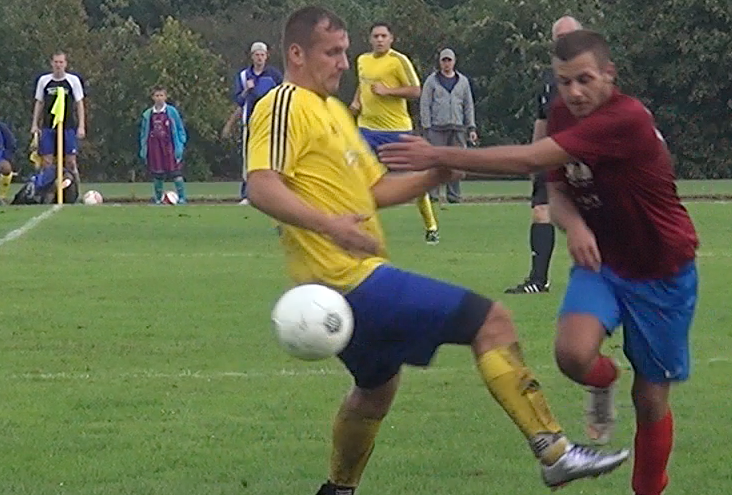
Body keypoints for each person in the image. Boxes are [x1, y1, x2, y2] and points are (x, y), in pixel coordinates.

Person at [245, 8, 630, 495]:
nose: (345, 62)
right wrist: (330, 227)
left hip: (352, 278)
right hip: (345, 280)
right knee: (491, 321)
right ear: (296, 54)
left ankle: (336, 491)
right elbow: (260, 185)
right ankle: (554, 451)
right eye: (333, 52)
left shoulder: (334, 112)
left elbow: (377, 190)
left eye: (346, 50)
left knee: (375, 391)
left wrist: (436, 173)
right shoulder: (283, 102)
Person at [379, 29, 699, 495]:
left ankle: (649, 489)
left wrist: (437, 154)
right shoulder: (563, 113)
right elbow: (557, 188)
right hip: (603, 263)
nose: (573, 92)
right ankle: (603, 380)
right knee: (571, 355)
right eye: (564, 82)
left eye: (584, 80)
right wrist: (577, 227)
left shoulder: (625, 119)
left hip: (661, 271)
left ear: (610, 75)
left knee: (650, 399)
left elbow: (530, 158)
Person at [505, 16, 582, 295]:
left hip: (583, 156)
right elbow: (542, 119)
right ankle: (539, 280)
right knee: (540, 210)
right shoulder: (550, 78)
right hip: (550, 154)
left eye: (569, 36)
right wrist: (532, 155)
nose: (564, 41)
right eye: (558, 37)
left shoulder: (595, 73)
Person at [349, 22, 441, 244]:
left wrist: (388, 91)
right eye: (375, 36)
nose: (379, 40)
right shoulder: (362, 60)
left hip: (396, 130)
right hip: (367, 129)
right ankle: (359, 227)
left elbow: (416, 90)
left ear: (391, 39)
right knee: (357, 176)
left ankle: (431, 226)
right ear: (370, 39)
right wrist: (356, 102)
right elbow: (362, 84)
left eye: (383, 36)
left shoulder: (398, 61)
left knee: (415, 180)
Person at [420, 48, 477, 204]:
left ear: (454, 61)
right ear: (440, 62)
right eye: (444, 60)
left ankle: (454, 195)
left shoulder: (463, 81)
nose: (446, 63)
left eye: (449, 60)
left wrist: (471, 127)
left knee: (457, 163)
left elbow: (468, 105)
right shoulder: (432, 81)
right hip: (437, 127)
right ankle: (433, 194)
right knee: (436, 162)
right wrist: (426, 126)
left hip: (457, 127)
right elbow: (425, 104)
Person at [231, 41, 283, 204]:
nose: (260, 58)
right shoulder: (244, 75)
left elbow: (283, 95)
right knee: (249, 158)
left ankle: (273, 193)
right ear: (252, 56)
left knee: (272, 157)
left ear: (267, 56)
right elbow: (238, 100)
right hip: (250, 122)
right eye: (257, 55)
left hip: (271, 122)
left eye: (262, 54)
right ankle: (247, 194)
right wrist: (247, 90)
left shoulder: (274, 75)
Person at [30, 51, 86, 179]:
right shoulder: (44, 81)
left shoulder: (73, 81)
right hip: (48, 126)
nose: (58, 65)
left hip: (68, 126)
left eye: (61, 62)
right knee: (47, 162)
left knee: (71, 161)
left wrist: (81, 126)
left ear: (65, 64)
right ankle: (47, 192)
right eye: (56, 62)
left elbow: (79, 103)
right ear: (51, 63)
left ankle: (74, 190)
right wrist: (34, 124)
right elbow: (39, 103)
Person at [139, 86, 188, 204]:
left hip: (170, 146)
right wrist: (144, 148)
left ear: (165, 97)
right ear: (153, 98)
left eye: (161, 95)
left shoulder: (171, 112)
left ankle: (182, 197)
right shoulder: (148, 114)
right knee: (158, 174)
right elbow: (144, 133)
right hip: (155, 147)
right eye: (157, 96)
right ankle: (158, 198)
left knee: (176, 172)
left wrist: (180, 144)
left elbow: (180, 128)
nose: (159, 98)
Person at [0, 119, 17, 204]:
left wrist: (7, 157)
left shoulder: (2, 127)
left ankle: (1, 196)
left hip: (0, 157)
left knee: (6, 168)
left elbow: (11, 143)